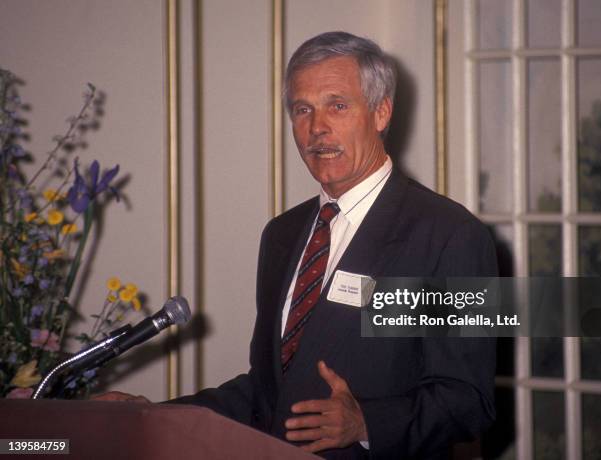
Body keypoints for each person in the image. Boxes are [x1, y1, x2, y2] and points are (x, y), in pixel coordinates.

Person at [94, 31, 497, 459]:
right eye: (302, 110)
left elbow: (469, 401)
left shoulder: (451, 234)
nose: (316, 127)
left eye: (337, 106)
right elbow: (267, 395)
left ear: (381, 113)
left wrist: (366, 423)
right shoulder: (281, 235)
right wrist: (152, 415)